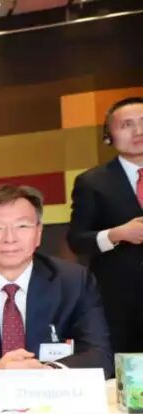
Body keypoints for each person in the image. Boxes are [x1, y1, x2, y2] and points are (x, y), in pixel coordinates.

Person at [0, 184, 113, 396]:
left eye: (22, 226)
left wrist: (46, 372)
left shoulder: (74, 281)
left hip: (53, 397)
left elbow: (99, 353)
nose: (10, 238)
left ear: (38, 233)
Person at [67, 96, 143, 353]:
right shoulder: (92, 182)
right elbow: (77, 240)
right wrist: (116, 234)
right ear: (109, 136)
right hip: (120, 302)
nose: (138, 131)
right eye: (127, 125)